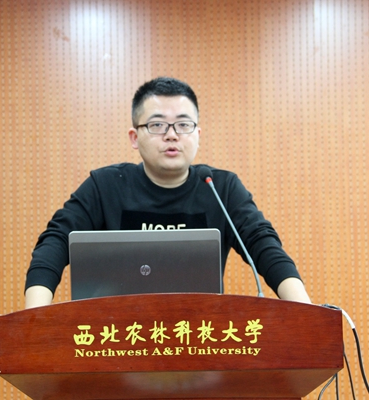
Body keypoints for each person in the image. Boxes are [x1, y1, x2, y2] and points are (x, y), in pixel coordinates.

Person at [24, 77, 311, 309]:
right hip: (115, 338)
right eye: (157, 125)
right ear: (134, 137)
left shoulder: (219, 188)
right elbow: (55, 241)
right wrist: (33, 319)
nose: (172, 134)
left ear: (197, 135)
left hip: (199, 337)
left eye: (184, 125)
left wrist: (306, 313)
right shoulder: (105, 186)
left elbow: (263, 244)